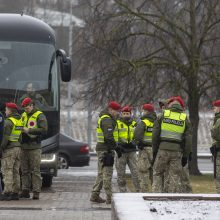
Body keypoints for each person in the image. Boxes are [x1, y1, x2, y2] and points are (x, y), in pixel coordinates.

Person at [152, 96, 192, 193]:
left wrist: (155, 151)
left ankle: (156, 197)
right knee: (174, 175)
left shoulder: (163, 115)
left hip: (163, 149)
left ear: (170, 104)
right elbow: (188, 139)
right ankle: (171, 198)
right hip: (177, 151)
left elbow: (155, 135)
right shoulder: (185, 118)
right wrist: (186, 156)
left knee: (158, 173)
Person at [90, 101, 121, 204]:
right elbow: (108, 137)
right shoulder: (107, 120)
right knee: (107, 174)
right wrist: (116, 147)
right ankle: (110, 198)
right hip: (106, 150)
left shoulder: (105, 118)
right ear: (110, 110)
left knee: (101, 173)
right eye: (116, 111)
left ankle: (94, 195)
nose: (117, 113)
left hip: (103, 148)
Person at [20, 97, 48, 200]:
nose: (25, 109)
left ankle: (36, 192)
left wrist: (29, 130)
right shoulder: (23, 115)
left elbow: (44, 130)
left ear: (32, 106)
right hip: (23, 146)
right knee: (24, 170)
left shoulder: (39, 115)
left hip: (34, 147)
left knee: (35, 170)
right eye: (24, 108)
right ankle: (25, 191)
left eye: (27, 107)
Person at [0, 102, 23, 200]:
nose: (5, 111)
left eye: (6, 109)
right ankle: (15, 192)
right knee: (15, 171)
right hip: (18, 148)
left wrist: (1, 148)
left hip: (9, 149)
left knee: (7, 170)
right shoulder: (19, 121)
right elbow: (20, 137)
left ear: (10, 110)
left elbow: (6, 137)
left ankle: (7, 192)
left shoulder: (9, 122)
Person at [115, 106, 140, 192]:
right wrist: (119, 144)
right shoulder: (117, 123)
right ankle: (122, 191)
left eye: (127, 113)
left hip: (132, 151)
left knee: (136, 172)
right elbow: (115, 135)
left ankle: (138, 190)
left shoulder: (134, 123)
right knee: (121, 173)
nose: (126, 115)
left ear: (130, 114)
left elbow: (138, 135)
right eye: (124, 113)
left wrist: (134, 142)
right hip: (121, 151)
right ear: (121, 114)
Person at [134, 104, 157, 192]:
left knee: (143, 171)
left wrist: (139, 143)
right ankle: (156, 191)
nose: (142, 112)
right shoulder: (157, 122)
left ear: (147, 111)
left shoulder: (144, 122)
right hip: (155, 150)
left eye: (143, 110)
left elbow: (137, 135)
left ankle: (144, 192)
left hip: (144, 149)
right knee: (154, 172)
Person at [210, 100, 220, 193]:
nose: (213, 109)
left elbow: (215, 134)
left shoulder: (218, 120)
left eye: (215, 107)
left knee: (218, 177)